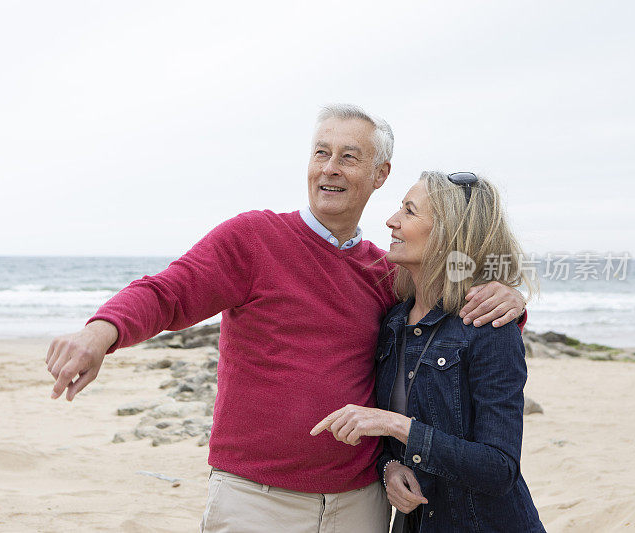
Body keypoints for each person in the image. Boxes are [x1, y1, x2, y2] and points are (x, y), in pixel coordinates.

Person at [44, 106, 528, 533]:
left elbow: (445, 325)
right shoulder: (253, 238)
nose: (330, 169)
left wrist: (509, 299)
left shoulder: (387, 274)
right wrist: (99, 332)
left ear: (380, 174)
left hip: (359, 504)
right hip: (255, 499)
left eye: (348, 157)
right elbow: (168, 292)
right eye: (321, 153)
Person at [311, 171, 545, 532]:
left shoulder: (487, 328)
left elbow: (499, 469)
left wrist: (395, 425)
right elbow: (394, 440)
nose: (391, 221)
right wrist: (389, 469)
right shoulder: (392, 322)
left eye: (409, 211)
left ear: (449, 233)